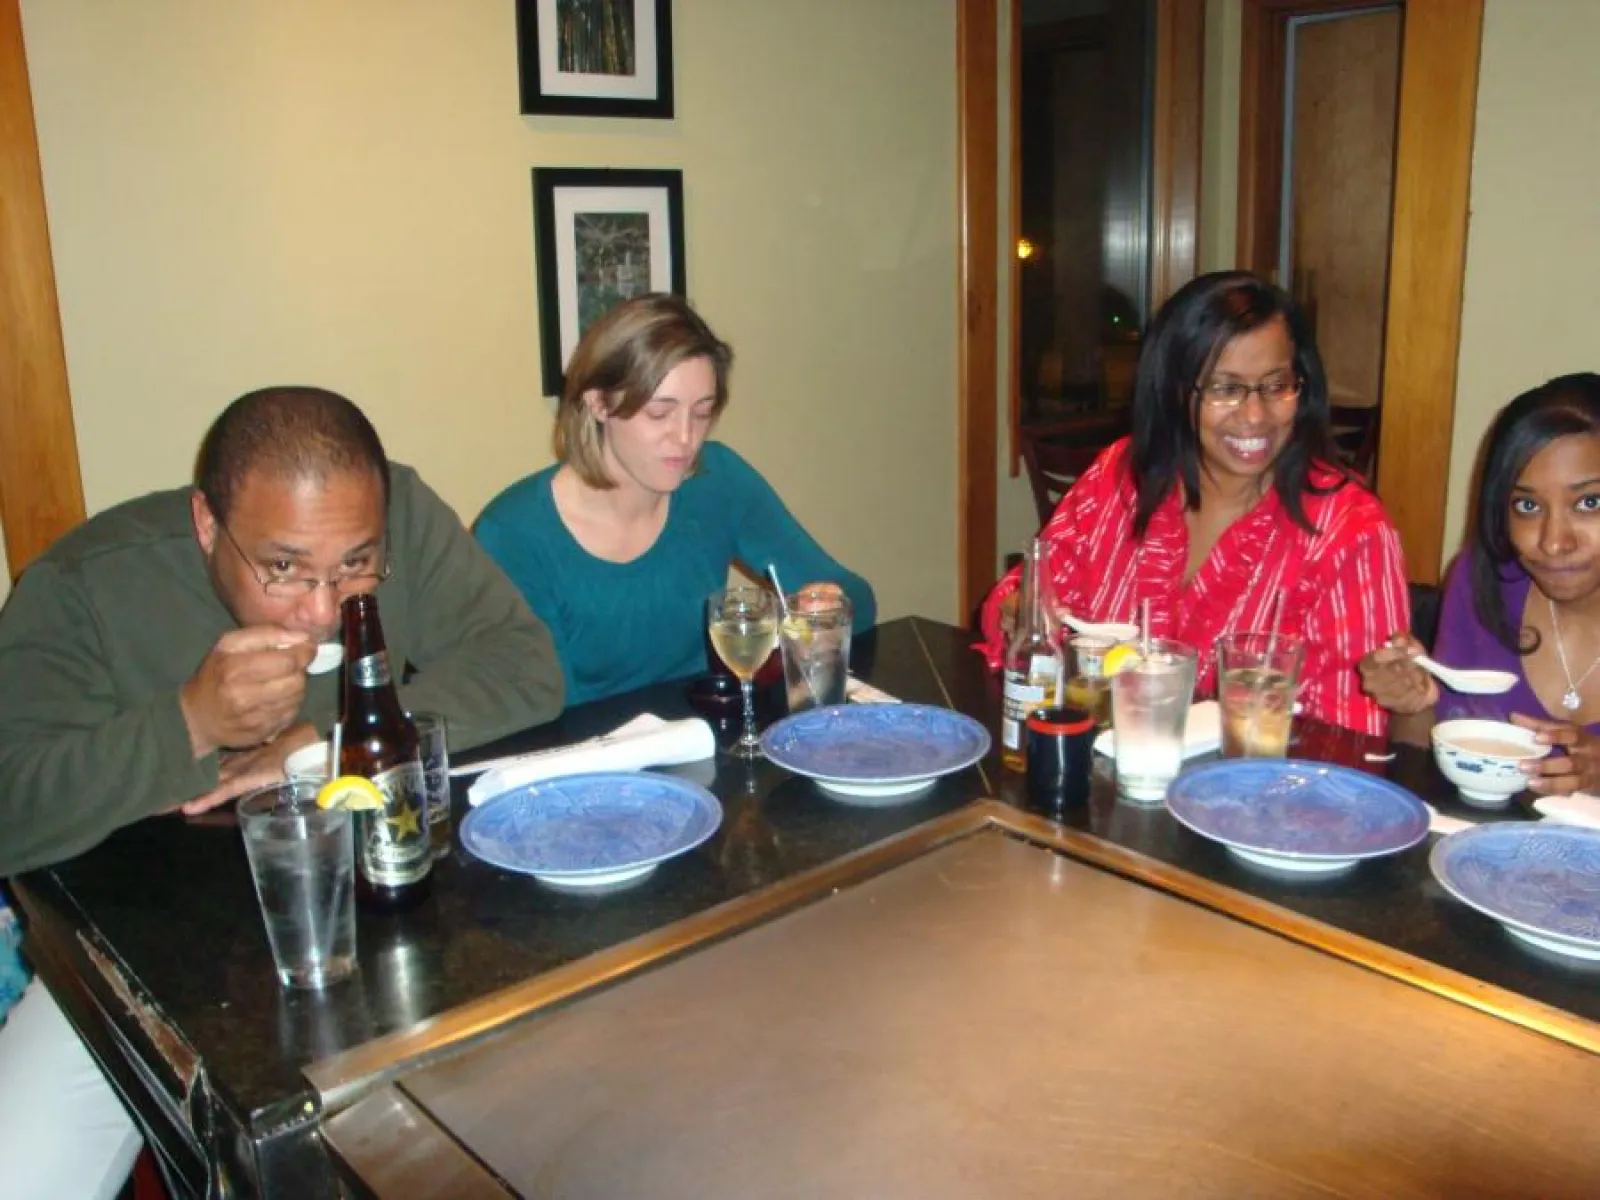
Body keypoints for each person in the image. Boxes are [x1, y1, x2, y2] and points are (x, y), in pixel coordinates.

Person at [0, 386, 564, 1198]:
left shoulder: (397, 512)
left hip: (375, 919)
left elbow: (525, 666)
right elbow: (12, 807)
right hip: (139, 958)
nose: (324, 613)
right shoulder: (86, 586)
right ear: (206, 525)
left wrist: (324, 742)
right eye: (284, 569)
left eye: (355, 567)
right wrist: (188, 724)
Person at [977, 271, 1409, 736]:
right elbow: (1029, 600)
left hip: (1260, 798)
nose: (1255, 415)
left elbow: (1353, 739)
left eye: (1276, 385)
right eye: (1225, 388)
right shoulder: (1122, 475)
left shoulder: (1351, 529)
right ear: (1173, 390)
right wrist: (1019, 609)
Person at [476, 293, 875, 705]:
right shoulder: (514, 535)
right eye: (659, 413)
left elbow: (857, 599)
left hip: (704, 740)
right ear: (597, 403)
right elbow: (550, 712)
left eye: (701, 413)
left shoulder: (717, 481)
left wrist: (829, 608)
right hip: (592, 758)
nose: (685, 438)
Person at [1360, 373, 1600, 792]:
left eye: (1589, 503)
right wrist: (1413, 703)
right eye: (1527, 506)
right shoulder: (1483, 580)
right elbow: (1426, 757)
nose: (1554, 541)